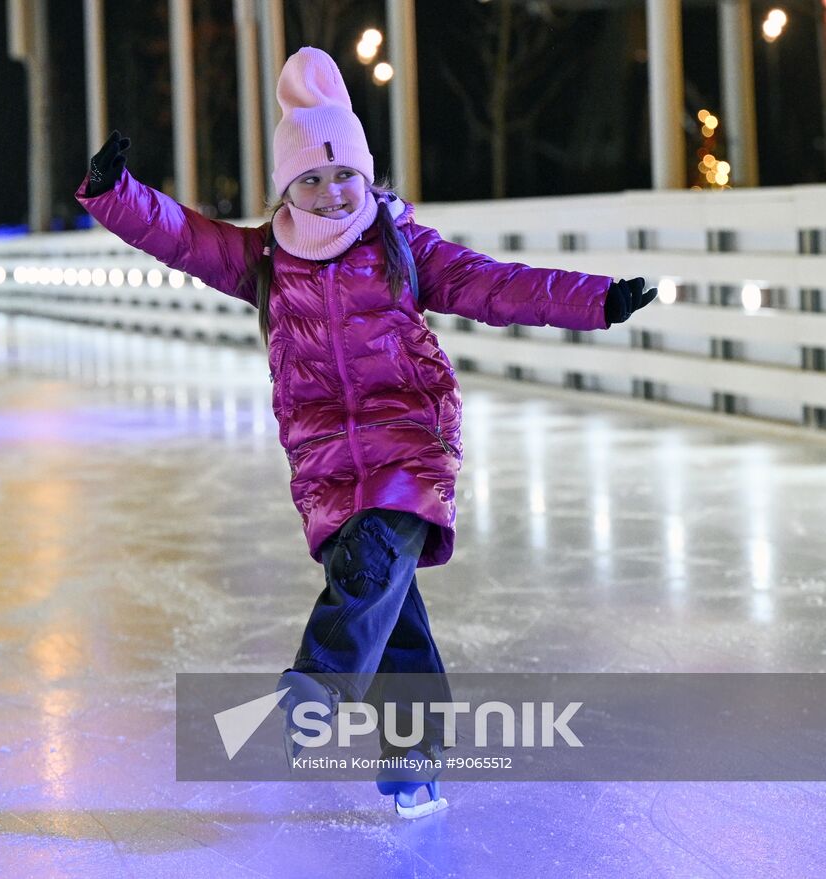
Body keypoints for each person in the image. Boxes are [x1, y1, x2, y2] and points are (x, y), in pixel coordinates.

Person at [75, 47, 657, 819]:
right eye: (310, 179)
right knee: (393, 611)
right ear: (286, 188)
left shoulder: (400, 245)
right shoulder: (265, 260)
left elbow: (495, 284)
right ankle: (415, 762)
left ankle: (318, 682)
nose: (331, 192)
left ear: (366, 173)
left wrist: (596, 300)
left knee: (374, 560)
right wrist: (115, 194)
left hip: (409, 436)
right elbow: (182, 236)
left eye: (343, 173)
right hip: (323, 456)